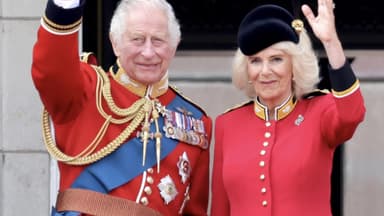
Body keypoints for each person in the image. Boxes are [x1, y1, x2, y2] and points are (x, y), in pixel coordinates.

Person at [31, 0, 212, 215]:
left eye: (158, 41)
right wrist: (64, 6)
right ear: (115, 43)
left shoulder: (196, 122)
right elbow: (51, 70)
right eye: (137, 39)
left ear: (174, 45)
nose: (148, 52)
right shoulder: (87, 91)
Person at [211, 0, 366, 215]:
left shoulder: (319, 111)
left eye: (276, 60)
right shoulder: (227, 124)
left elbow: (352, 114)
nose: (265, 71)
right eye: (255, 61)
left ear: (294, 65)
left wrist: (331, 43)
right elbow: (220, 208)